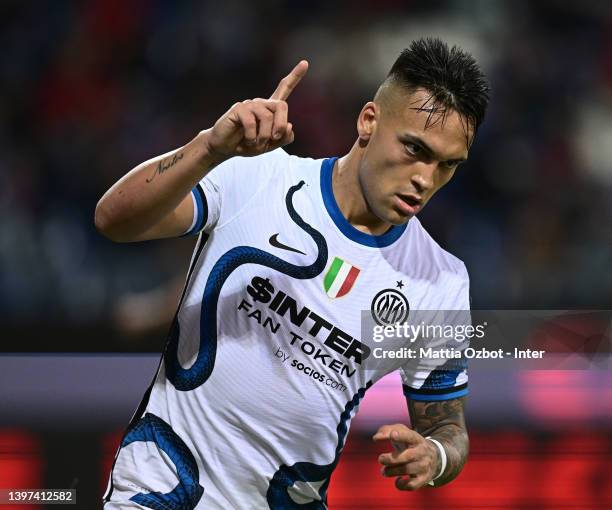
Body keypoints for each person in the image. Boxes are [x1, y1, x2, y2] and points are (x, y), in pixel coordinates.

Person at [96, 37, 490, 509]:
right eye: (414, 148)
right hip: (162, 484)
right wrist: (209, 148)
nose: (426, 179)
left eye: (447, 165)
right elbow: (114, 220)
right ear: (369, 121)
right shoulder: (257, 177)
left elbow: (446, 425)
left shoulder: (439, 282)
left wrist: (439, 456)